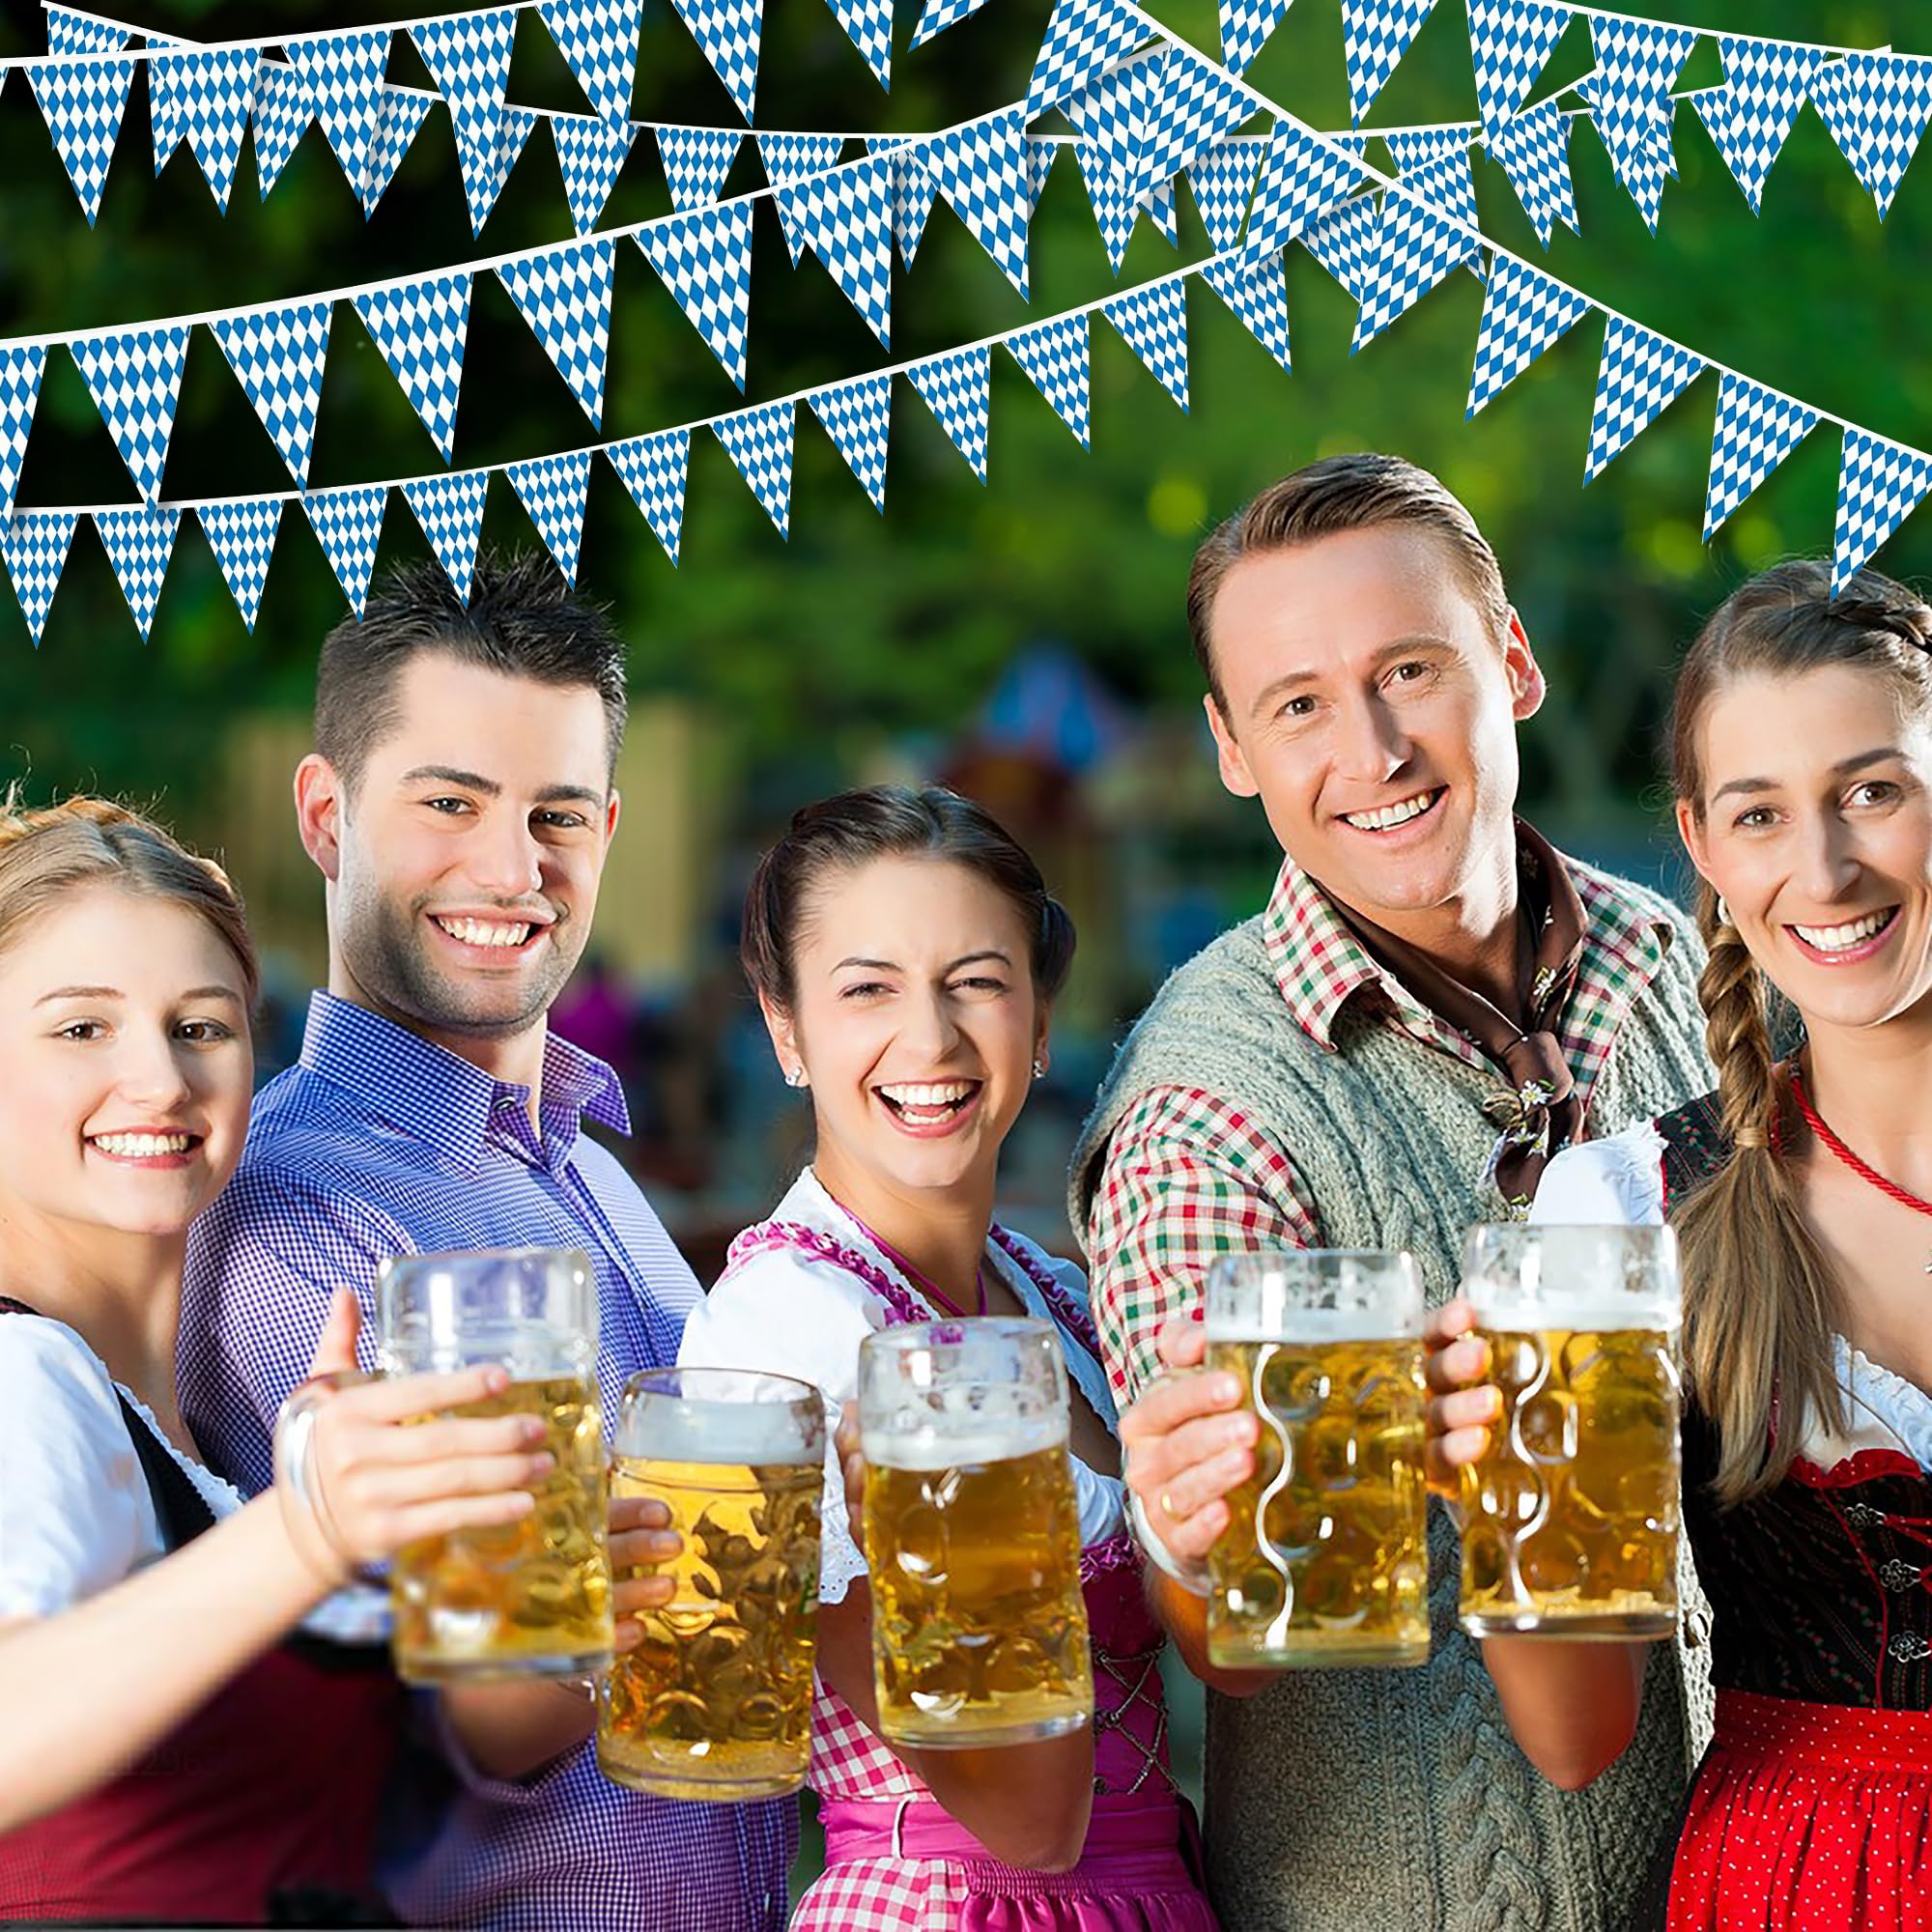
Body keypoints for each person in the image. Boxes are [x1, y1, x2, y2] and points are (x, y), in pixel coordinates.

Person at [1072, 455, 1718, 1930]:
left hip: (1742, 1875)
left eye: (1408, 672)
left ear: (1514, 665)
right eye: (1298, 704)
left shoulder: (1676, 961)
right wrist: (1188, 1538)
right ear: (1232, 748)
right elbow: (1229, 1636)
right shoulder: (1208, 1103)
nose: (1370, 751)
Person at [178, 554, 793, 1932]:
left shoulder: (592, 1168)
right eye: (450, 802)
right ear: (326, 814)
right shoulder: (288, 1210)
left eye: (556, 815)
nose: (514, 870)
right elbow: (437, 1711)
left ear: (608, 829)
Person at [0, 797, 659, 1920]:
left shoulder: (176, 1426)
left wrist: (573, 1611)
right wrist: (307, 1528)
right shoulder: (26, 1377)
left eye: (201, 1025)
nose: (160, 1077)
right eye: (81, 1028)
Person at [1426, 559, 1932, 1927]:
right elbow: (1576, 1736)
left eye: (1871, 792)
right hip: (1803, 1883)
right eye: (1760, 813)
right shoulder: (1627, 1210)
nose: (1822, 868)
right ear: (1703, 845)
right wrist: (1504, 1499)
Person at [678, 784, 1217, 1930]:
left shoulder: (1050, 1291)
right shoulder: (785, 1325)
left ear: (1038, 1015)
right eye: (866, 988)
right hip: (948, 1900)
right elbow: (1026, 1818)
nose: (929, 1038)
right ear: (785, 1030)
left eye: (974, 980)